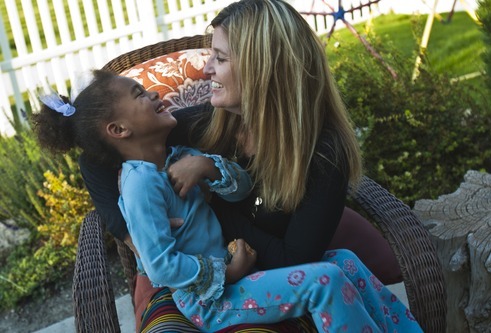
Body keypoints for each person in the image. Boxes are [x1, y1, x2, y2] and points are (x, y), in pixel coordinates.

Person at [33, 69, 421, 332]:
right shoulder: (139, 187)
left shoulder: (177, 154)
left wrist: (207, 167)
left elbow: (241, 187)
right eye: (139, 94)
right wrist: (226, 273)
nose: (153, 92)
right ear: (118, 130)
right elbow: (161, 267)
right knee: (327, 280)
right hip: (212, 299)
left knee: (345, 261)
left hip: (236, 272)